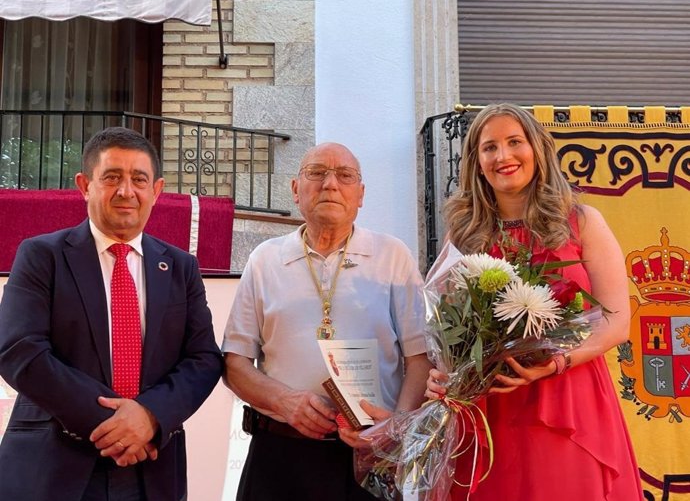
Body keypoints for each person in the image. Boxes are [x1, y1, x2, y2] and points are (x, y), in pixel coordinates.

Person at [426, 103, 643, 500]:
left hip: (567, 397)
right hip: (492, 403)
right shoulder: (464, 236)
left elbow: (616, 322)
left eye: (514, 142)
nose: (503, 156)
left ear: (537, 149)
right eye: (489, 148)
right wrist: (443, 372)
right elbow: (449, 327)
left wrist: (554, 363)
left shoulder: (581, 220)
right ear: (476, 162)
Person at [0, 127, 223, 501]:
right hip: (53, 465)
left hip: (151, 471)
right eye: (112, 178)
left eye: (139, 179)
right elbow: (19, 350)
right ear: (85, 185)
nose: (126, 191)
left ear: (157, 190)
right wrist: (117, 424)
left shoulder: (182, 267)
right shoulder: (42, 256)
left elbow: (202, 359)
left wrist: (149, 417)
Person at [223, 142, 431, 500]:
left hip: (370, 457)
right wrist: (285, 400)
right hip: (280, 455)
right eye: (316, 173)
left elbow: (420, 358)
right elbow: (234, 362)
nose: (330, 184)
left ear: (361, 194)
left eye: (345, 175)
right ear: (295, 189)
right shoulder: (265, 259)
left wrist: (395, 429)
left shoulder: (392, 255)